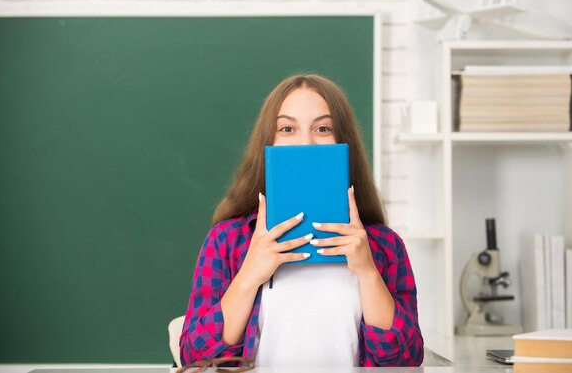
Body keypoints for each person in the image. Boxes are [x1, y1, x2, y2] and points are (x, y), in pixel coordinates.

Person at [180, 74, 424, 367]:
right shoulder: (228, 240)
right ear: (268, 143)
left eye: (323, 128)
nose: (305, 142)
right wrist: (250, 274)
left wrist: (368, 272)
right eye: (287, 128)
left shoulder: (384, 246)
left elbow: (407, 361)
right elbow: (195, 359)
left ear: (342, 142)